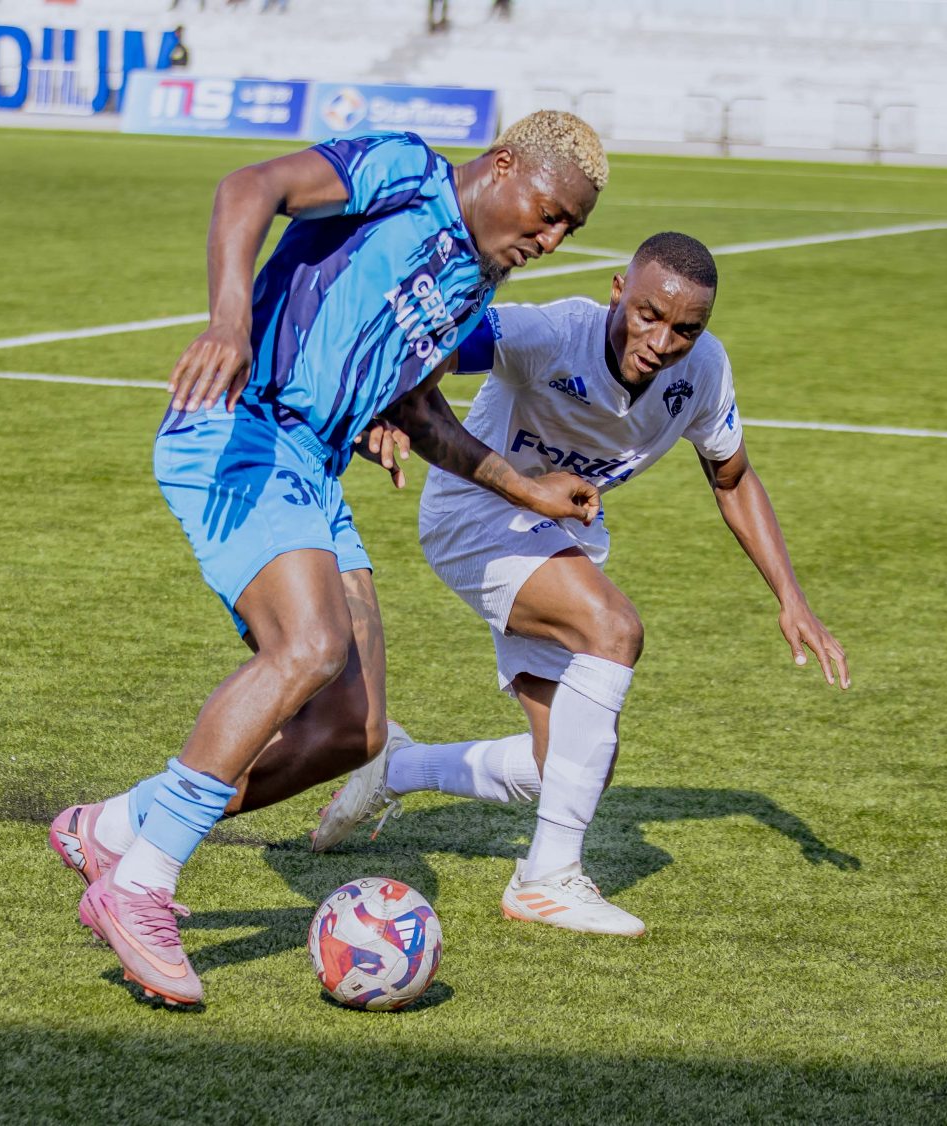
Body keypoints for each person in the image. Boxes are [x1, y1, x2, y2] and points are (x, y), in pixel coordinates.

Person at [48, 112, 609, 1006]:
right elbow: (250, 186)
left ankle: (112, 829)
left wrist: (528, 491)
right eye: (548, 214)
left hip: (311, 467)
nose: (551, 239)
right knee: (307, 646)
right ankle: (141, 881)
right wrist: (230, 323)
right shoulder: (406, 172)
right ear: (504, 165)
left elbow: (416, 409)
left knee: (355, 729)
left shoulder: (476, 282)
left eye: (569, 230)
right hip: (242, 425)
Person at [309, 232, 851, 936]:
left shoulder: (703, 371)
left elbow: (733, 477)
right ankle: (546, 879)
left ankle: (398, 767)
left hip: (561, 536)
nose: (662, 341)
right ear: (618, 290)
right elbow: (429, 349)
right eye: (649, 315)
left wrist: (792, 598)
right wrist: (388, 408)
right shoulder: (552, 335)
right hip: (477, 514)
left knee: (568, 763)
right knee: (613, 629)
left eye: (686, 329)